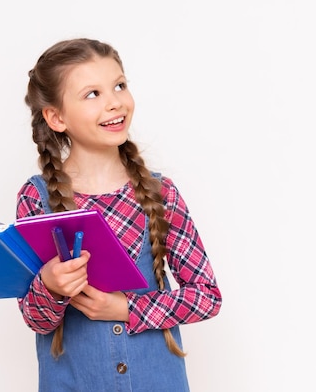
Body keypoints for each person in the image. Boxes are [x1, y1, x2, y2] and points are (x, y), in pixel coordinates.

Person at [16, 38, 222, 392]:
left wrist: (128, 308)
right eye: (92, 94)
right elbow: (36, 318)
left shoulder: (161, 194)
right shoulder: (37, 199)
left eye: (119, 85)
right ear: (56, 117)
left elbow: (206, 296)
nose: (114, 102)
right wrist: (50, 284)